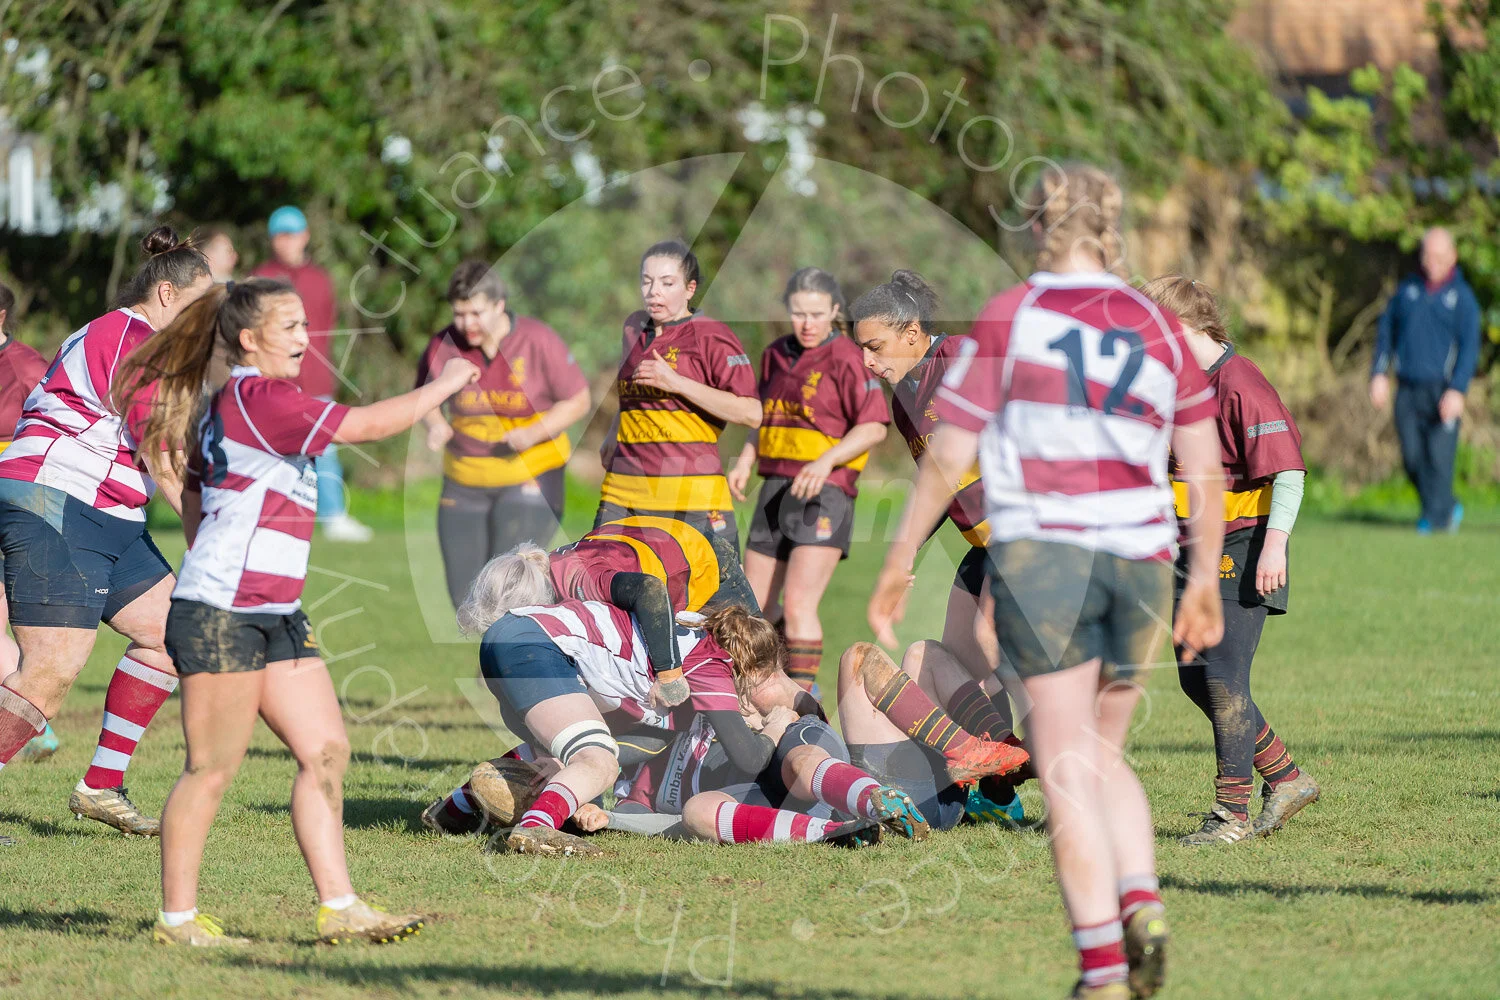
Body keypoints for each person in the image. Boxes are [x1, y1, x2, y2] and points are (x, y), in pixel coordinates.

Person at [867, 165, 1227, 1000]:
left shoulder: (1010, 315)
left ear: (1036, 230)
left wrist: (896, 561)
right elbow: (1202, 459)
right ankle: (1143, 899)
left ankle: (1101, 969)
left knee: (1064, 763)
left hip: (1047, 560)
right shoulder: (1156, 325)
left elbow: (950, 452)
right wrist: (1203, 573)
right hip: (1140, 561)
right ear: (1116, 229)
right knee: (1102, 755)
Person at [113, 277, 477, 946]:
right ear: (250, 339)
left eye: (307, 325)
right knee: (211, 770)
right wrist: (447, 381)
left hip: (273, 610)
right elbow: (368, 426)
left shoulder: (234, 401)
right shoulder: (262, 396)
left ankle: (339, 906)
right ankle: (177, 922)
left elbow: (195, 498)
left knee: (326, 751)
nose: (307, 339)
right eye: (291, 327)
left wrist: (227, 556)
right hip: (222, 614)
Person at [0, 227, 213, 845]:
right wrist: (207, 538)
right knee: (51, 670)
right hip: (55, 499)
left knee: (171, 638)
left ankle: (100, 785)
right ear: (168, 294)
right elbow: (164, 452)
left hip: (109, 512)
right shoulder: (132, 338)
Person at [1141, 277, 1320, 844]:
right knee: (1196, 675)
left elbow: (1287, 470)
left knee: (1222, 676)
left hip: (1244, 545)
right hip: (1190, 550)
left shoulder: (1239, 380)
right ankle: (1287, 779)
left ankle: (1231, 816)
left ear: (1187, 327)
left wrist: (1275, 545)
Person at [462, 596, 785, 856]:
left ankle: (453, 810)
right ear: (748, 665)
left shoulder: (694, 628)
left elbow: (643, 741)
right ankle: (537, 825)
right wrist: (776, 726)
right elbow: (749, 758)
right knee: (596, 761)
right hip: (538, 646)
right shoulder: (715, 661)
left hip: (511, 633)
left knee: (571, 752)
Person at [849, 271, 1016, 739]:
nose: (867, 361)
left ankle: (1067, 752)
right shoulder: (905, 396)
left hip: (1021, 533)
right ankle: (1001, 784)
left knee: (991, 641)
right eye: (862, 348)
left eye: (875, 347)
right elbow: (938, 484)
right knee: (961, 663)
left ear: (912, 333)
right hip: (982, 544)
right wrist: (905, 559)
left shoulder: (960, 357)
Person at [727, 268, 890, 690]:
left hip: (826, 492)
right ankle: (765, 690)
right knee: (751, 609)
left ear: (835, 310)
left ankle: (802, 706)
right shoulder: (776, 354)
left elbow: (873, 427)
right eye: (799, 313)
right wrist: (746, 459)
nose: (807, 323)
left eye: (817, 313)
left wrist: (824, 463)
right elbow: (760, 419)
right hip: (775, 488)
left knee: (799, 604)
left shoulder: (849, 357)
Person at [418, 261, 591, 608]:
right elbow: (425, 398)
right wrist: (436, 424)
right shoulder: (444, 344)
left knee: (512, 589)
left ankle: (516, 658)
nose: (467, 324)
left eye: (476, 313)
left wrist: (531, 432)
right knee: (465, 595)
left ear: (499, 305)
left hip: (530, 472)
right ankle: (492, 657)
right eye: (459, 314)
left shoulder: (537, 340)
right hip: (464, 478)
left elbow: (578, 400)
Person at [460, 515, 763, 710]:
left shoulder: (580, 584)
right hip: (678, 543)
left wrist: (668, 675)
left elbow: (649, 590)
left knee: (759, 678)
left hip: (707, 565)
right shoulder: (544, 569)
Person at [597, 240, 760, 549]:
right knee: (607, 588)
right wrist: (613, 431)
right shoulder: (633, 328)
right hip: (623, 492)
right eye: (646, 281)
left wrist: (677, 382)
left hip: (692, 495)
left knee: (713, 597)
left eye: (667, 283)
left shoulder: (711, 335)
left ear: (690, 289)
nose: (653, 291)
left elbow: (752, 412)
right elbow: (635, 393)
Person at [251, 205, 372, 542]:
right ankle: (267, 516)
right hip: (271, 379)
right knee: (268, 450)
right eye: (280, 236)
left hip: (315, 379)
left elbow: (325, 327)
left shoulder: (320, 279)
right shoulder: (259, 277)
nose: (286, 242)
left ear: (305, 236)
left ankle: (333, 516)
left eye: (292, 235)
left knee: (325, 450)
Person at [836, 640, 1030, 832]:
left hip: (929, 796)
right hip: (919, 803)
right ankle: (975, 751)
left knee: (923, 654)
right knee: (859, 657)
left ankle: (1005, 746)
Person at [1368, 227, 1480, 534]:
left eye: (1440, 256)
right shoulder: (1407, 291)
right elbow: (1385, 333)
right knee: (1412, 458)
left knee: (1439, 460)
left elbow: (1470, 348)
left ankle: (1435, 518)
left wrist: (1458, 390)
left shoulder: (1463, 299)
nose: (1433, 262)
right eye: (1428, 255)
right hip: (1407, 389)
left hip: (1443, 391)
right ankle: (1444, 509)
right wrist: (1378, 373)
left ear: (1453, 257)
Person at [0, 281, 55, 763]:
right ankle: (37, 723)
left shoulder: (25, 365)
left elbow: (59, 427)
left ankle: (36, 722)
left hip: (17, 497)